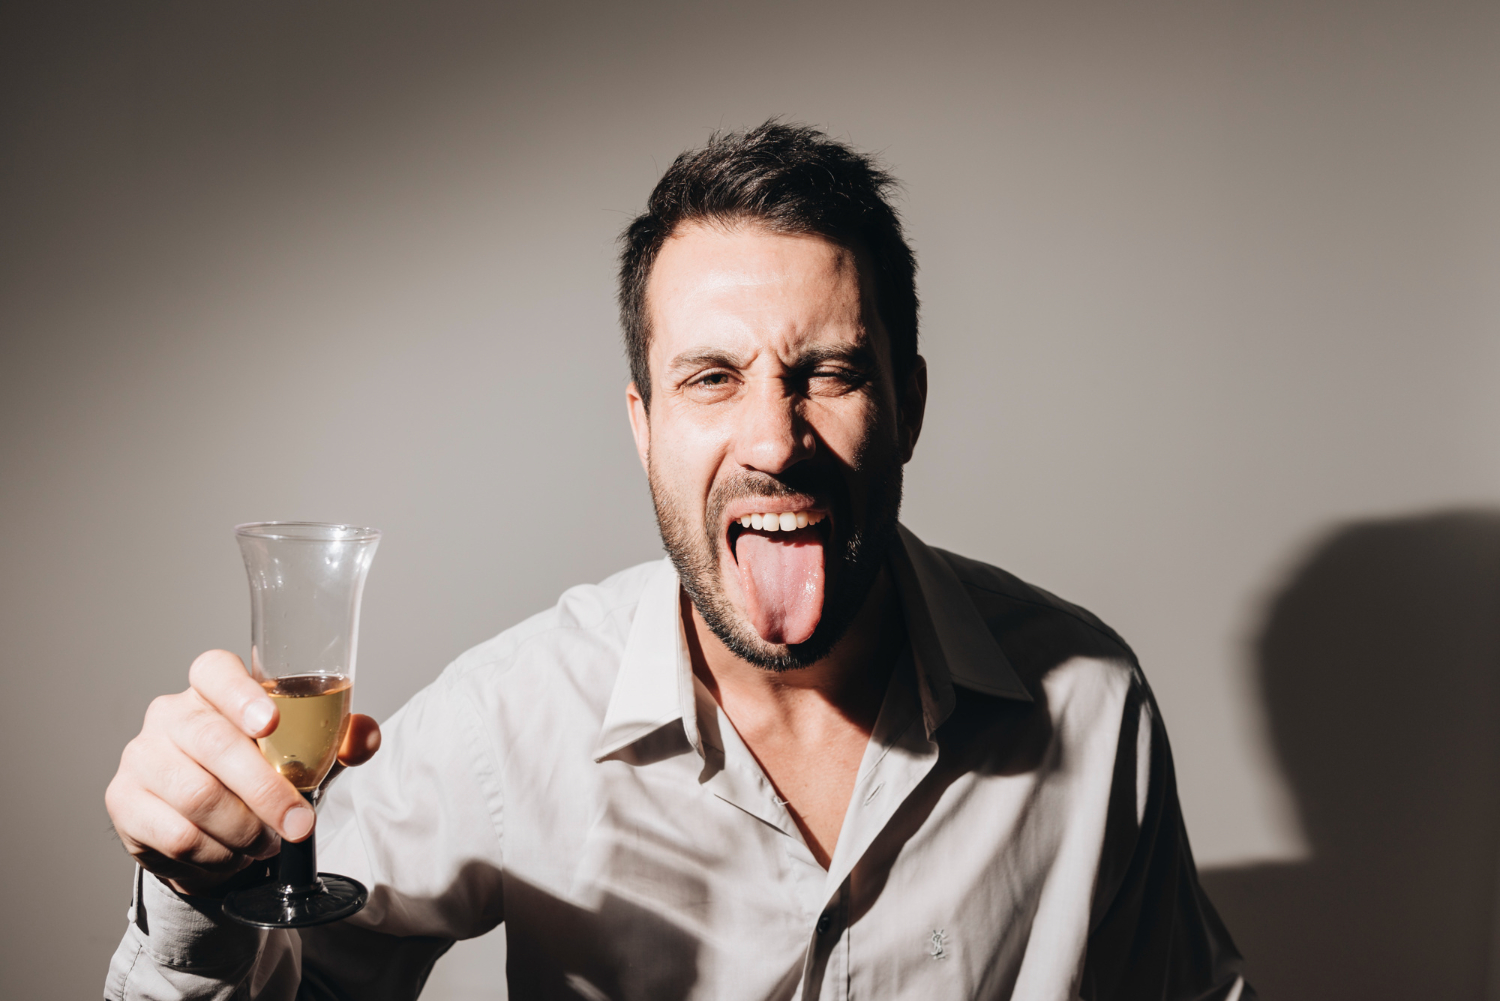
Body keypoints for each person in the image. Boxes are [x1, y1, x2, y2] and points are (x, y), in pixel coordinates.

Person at [104, 121, 1251, 1000]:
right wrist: (198, 890)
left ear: (908, 406)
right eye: (712, 378)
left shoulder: (1090, 704)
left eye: (830, 373)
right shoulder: (516, 717)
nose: (775, 441)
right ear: (643, 425)